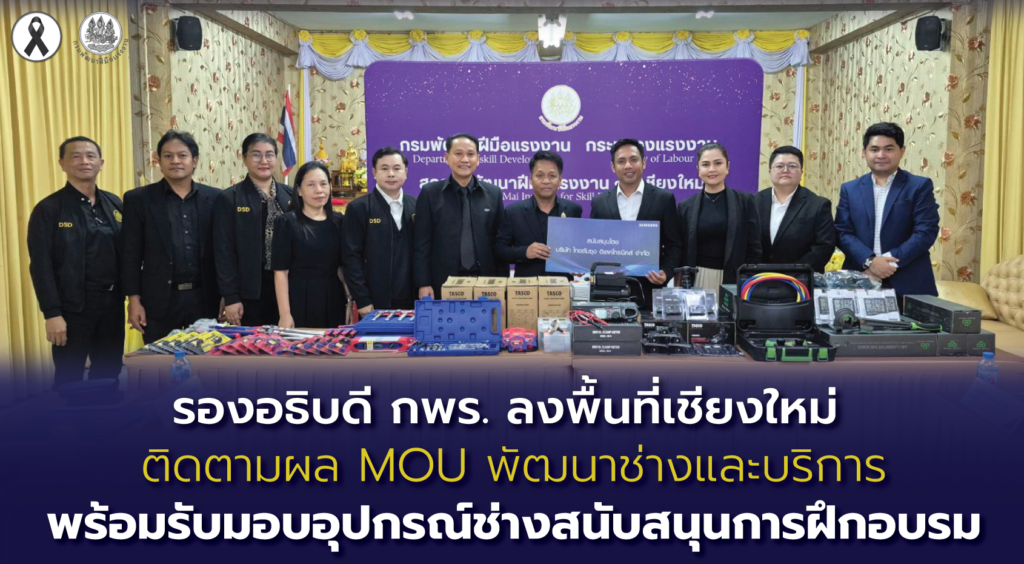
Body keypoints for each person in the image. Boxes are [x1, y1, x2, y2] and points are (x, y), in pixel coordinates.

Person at [28, 137, 124, 388]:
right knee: (69, 378)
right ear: (62, 163)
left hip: (112, 304)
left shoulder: (114, 203)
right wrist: (52, 314)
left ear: (101, 163)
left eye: (91, 156)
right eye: (76, 156)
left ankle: (105, 413)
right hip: (72, 309)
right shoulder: (49, 209)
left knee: (109, 373)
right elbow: (41, 266)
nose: (84, 161)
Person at [121, 130, 221, 343]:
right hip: (158, 301)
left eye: (182, 155)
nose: (175, 161)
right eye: (168, 156)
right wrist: (134, 301)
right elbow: (130, 254)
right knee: (160, 361)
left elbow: (224, 252)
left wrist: (227, 296)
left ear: (194, 161)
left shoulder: (216, 198)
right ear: (158, 160)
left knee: (207, 360)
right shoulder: (138, 199)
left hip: (204, 298)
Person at [835, 122, 940, 298]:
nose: (881, 155)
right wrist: (870, 261)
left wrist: (888, 262)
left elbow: (925, 231)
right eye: (874, 149)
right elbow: (842, 232)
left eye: (889, 149)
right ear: (864, 152)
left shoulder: (919, 186)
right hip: (861, 278)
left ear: (902, 151)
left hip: (909, 281)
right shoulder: (850, 189)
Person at [590, 138, 682, 309]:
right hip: (608, 289)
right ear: (613, 167)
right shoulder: (600, 202)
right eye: (621, 161)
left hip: (649, 287)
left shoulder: (663, 199)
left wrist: (666, 272)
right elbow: (593, 244)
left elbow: (673, 244)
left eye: (633, 159)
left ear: (644, 162)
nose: (628, 166)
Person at [414, 133, 507, 299]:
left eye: (470, 154)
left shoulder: (494, 194)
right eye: (458, 154)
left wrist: (503, 283)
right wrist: (423, 282)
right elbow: (422, 243)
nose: (465, 159)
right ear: (446, 157)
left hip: (485, 282)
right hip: (443, 282)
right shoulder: (430, 193)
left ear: (478, 159)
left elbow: (500, 242)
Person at [214, 133, 293, 326]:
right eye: (256, 155)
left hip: (289, 287)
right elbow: (223, 251)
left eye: (269, 155)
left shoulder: (290, 195)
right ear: (244, 158)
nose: (264, 161)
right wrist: (231, 297)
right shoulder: (230, 198)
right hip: (250, 291)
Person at [342, 147, 417, 315]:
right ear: (374, 173)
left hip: (413, 299)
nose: (391, 174)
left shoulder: (417, 206)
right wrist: (362, 299)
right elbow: (351, 257)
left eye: (396, 168)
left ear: (406, 172)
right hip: (374, 301)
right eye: (384, 168)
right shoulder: (359, 208)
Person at [271, 162, 347, 329]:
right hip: (299, 298)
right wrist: (285, 314)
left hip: (333, 297)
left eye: (323, 184)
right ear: (299, 190)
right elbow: (281, 272)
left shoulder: (339, 221)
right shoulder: (286, 222)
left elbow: (341, 268)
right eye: (311, 185)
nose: (319, 190)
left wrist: (350, 300)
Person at [677, 142, 761, 289]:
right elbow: (679, 249)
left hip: (734, 278)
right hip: (697, 278)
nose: (712, 169)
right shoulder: (685, 207)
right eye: (705, 164)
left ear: (727, 166)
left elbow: (754, 247)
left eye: (718, 163)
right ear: (698, 169)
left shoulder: (745, 202)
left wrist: (747, 279)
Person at [495, 150, 583, 278]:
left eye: (552, 176)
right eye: (540, 175)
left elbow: (579, 249)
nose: (546, 181)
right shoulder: (513, 212)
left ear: (560, 180)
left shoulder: (573, 210)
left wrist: (578, 264)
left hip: (562, 286)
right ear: (531, 179)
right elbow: (499, 250)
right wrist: (525, 252)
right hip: (526, 286)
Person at [755, 145, 836, 273]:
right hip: (757, 277)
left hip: (800, 279)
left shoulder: (818, 205)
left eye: (792, 166)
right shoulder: (753, 202)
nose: (785, 170)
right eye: (779, 166)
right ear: (770, 171)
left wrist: (793, 272)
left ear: (801, 172)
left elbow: (824, 247)